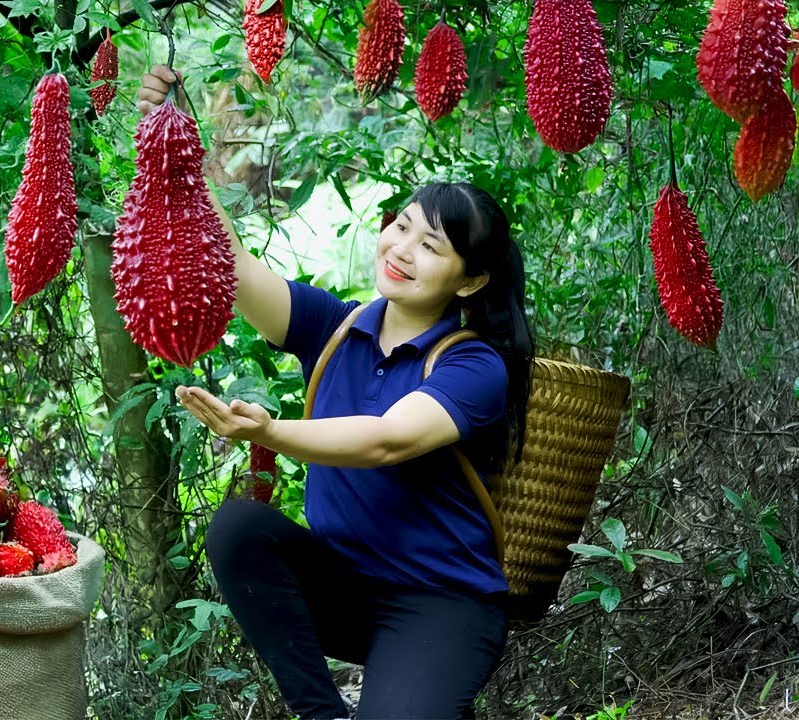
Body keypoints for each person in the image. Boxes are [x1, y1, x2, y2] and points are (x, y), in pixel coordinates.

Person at [137, 65, 535, 720]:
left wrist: (268, 433)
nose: (401, 249)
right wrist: (175, 139)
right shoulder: (336, 325)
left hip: (440, 605)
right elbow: (232, 267)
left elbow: (386, 441)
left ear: (469, 282)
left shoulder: (473, 365)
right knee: (240, 527)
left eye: (429, 245)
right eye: (400, 226)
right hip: (345, 587)